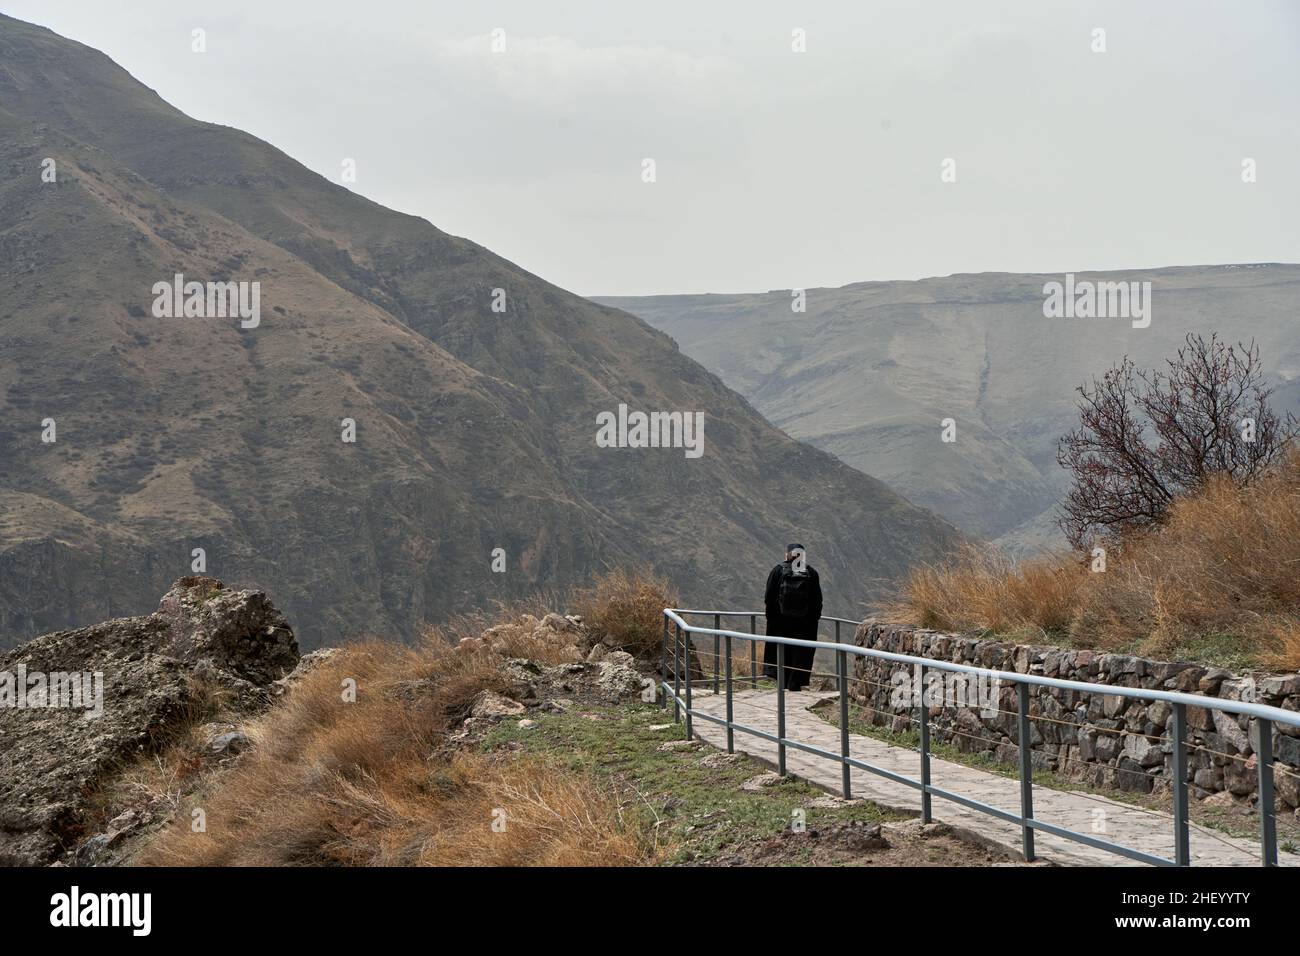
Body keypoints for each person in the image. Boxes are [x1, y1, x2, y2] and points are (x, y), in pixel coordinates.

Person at [762, 543, 823, 690]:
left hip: (780, 623)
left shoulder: (778, 571)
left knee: (782, 651)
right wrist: (812, 620)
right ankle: (795, 684)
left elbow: (769, 598)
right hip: (805, 625)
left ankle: (781, 683)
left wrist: (771, 619)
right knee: (801, 653)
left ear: (787, 554)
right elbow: (817, 601)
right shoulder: (811, 573)